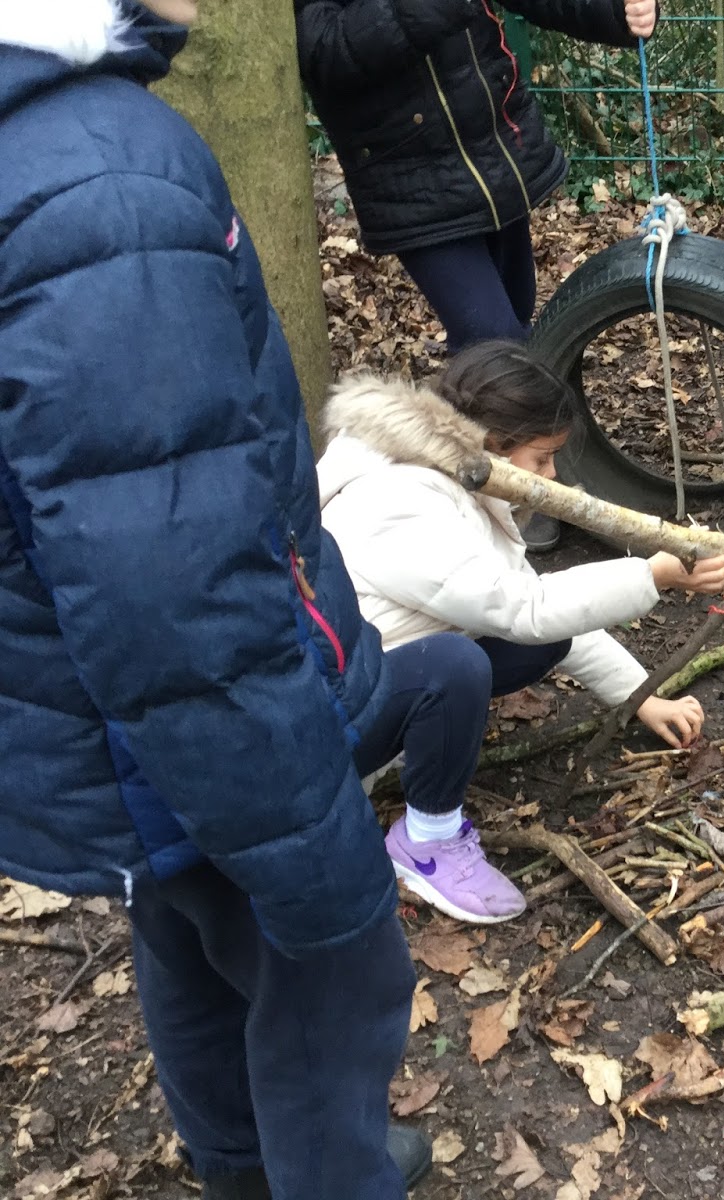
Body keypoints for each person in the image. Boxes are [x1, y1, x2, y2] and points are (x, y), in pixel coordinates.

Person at [0, 2, 430, 1197]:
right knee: (331, 977)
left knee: (185, 931)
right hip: (172, 724)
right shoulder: (104, 181)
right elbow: (167, 582)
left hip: (84, 714)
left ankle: (243, 1166)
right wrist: (305, 833)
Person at [319, 340, 724, 924]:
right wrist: (655, 575)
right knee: (455, 666)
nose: (551, 475)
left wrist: (642, 697)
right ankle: (427, 841)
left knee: (528, 643)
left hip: (364, 683)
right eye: (542, 459)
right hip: (324, 732)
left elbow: (538, 613)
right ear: (494, 443)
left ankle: (408, 746)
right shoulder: (403, 505)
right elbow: (525, 607)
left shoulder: (447, 477)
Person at [294, 0, 657, 551]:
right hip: (411, 181)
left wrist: (613, 12)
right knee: (493, 339)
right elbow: (326, 49)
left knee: (514, 326)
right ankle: (509, 501)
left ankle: (525, 474)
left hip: (493, 157)